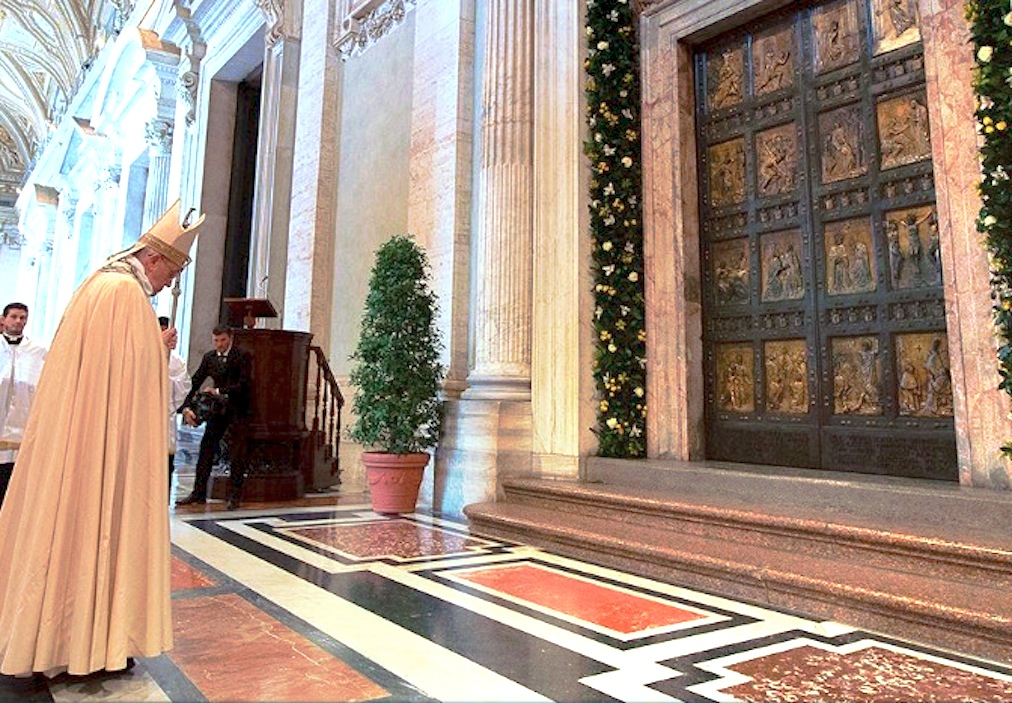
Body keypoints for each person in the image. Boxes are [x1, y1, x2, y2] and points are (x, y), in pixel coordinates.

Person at [0, 200, 203, 677]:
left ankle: (73, 637)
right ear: (151, 259)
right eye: (170, 272)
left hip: (79, 438)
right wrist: (159, 355)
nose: (169, 283)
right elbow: (133, 383)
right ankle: (83, 642)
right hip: (103, 445)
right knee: (96, 522)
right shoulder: (125, 295)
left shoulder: (100, 284)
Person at [176, 326, 253, 511]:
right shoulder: (209, 358)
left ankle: (234, 496)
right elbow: (195, 382)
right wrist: (186, 406)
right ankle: (198, 493)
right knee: (206, 448)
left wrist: (219, 391)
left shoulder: (242, 355)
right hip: (218, 411)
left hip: (237, 409)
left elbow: (244, 384)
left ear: (230, 338)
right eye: (216, 341)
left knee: (237, 453)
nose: (219, 344)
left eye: (223, 340)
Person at [0, 303, 47, 505]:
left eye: (23, 318)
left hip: (21, 426)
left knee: (11, 483)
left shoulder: (37, 351)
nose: (19, 321)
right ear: (3, 319)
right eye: (14, 317)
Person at [160, 316, 191, 495]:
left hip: (166, 418)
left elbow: (182, 389)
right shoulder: (144, 354)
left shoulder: (177, 361)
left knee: (166, 466)